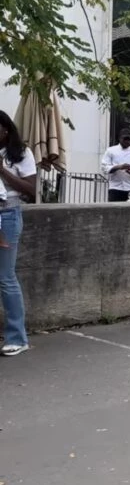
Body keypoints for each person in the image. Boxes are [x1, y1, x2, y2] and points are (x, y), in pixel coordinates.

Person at [0, 111, 37, 356]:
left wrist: (2, 171)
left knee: (5, 276)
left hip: (7, 216)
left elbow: (31, 190)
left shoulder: (21, 154)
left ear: (4, 129)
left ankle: (17, 337)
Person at [101, 128, 130, 202]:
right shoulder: (111, 150)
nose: (127, 141)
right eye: (125, 138)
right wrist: (119, 167)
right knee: (114, 211)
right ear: (119, 138)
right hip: (115, 187)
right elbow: (104, 167)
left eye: (129, 139)